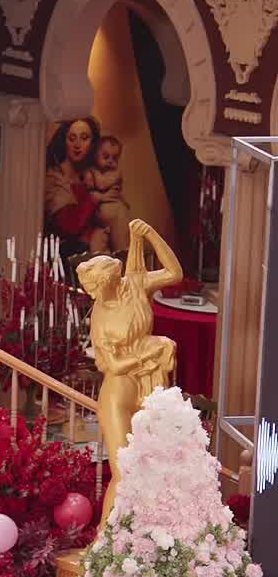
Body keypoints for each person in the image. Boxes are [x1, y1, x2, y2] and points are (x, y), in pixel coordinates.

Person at [77, 219, 183, 521]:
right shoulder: (100, 319)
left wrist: (150, 234)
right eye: (89, 289)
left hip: (150, 384)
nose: (92, 295)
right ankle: (104, 537)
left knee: (154, 469)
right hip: (118, 393)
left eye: (95, 287)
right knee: (124, 473)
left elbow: (175, 273)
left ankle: (141, 534)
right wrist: (150, 351)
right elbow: (113, 365)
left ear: (111, 279)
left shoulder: (134, 285)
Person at [44, 116, 106, 255]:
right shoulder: (54, 177)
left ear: (93, 144)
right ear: (64, 142)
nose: (77, 145)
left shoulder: (92, 175)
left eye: (84, 138)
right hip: (64, 257)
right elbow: (69, 226)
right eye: (71, 138)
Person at [82, 133, 130, 253]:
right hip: (99, 221)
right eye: (106, 156)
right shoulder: (92, 171)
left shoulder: (115, 173)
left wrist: (92, 175)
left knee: (121, 247)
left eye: (115, 158)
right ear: (96, 155)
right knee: (96, 249)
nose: (110, 161)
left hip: (116, 214)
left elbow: (101, 184)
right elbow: (89, 190)